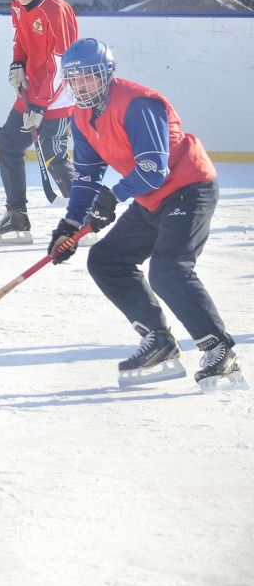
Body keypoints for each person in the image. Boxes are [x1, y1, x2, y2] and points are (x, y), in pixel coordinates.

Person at [47, 39, 241, 390]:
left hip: (188, 188)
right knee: (106, 259)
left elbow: (153, 170)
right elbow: (88, 175)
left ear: (106, 75)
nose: (80, 86)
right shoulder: (81, 115)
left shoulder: (137, 103)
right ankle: (159, 340)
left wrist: (114, 197)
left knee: (168, 270)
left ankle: (218, 349)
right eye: (73, 79)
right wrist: (71, 224)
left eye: (88, 78)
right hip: (152, 199)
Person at [0, 0, 78, 244]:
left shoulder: (56, 11)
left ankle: (83, 218)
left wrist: (39, 104)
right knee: (7, 144)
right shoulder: (18, 6)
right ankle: (17, 216)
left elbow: (61, 63)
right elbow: (21, 42)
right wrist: (17, 65)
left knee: (54, 156)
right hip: (33, 90)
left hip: (58, 94)